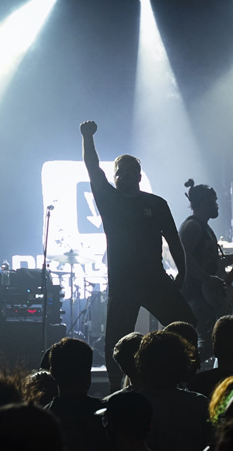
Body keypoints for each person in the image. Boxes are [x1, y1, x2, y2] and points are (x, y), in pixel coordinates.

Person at [80, 121, 196, 389]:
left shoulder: (156, 204)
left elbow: (174, 241)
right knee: (115, 342)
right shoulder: (108, 198)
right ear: (116, 176)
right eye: (122, 172)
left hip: (154, 279)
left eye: (133, 172)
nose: (128, 176)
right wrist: (87, 137)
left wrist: (183, 273)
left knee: (186, 324)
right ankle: (114, 389)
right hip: (123, 283)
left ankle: (185, 379)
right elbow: (93, 168)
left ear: (140, 176)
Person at [178, 179, 225, 359]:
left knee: (208, 344)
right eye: (213, 201)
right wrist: (207, 278)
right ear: (204, 202)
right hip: (195, 294)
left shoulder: (205, 228)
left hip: (204, 295)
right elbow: (184, 260)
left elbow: (212, 260)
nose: (216, 205)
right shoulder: (193, 226)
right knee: (202, 344)